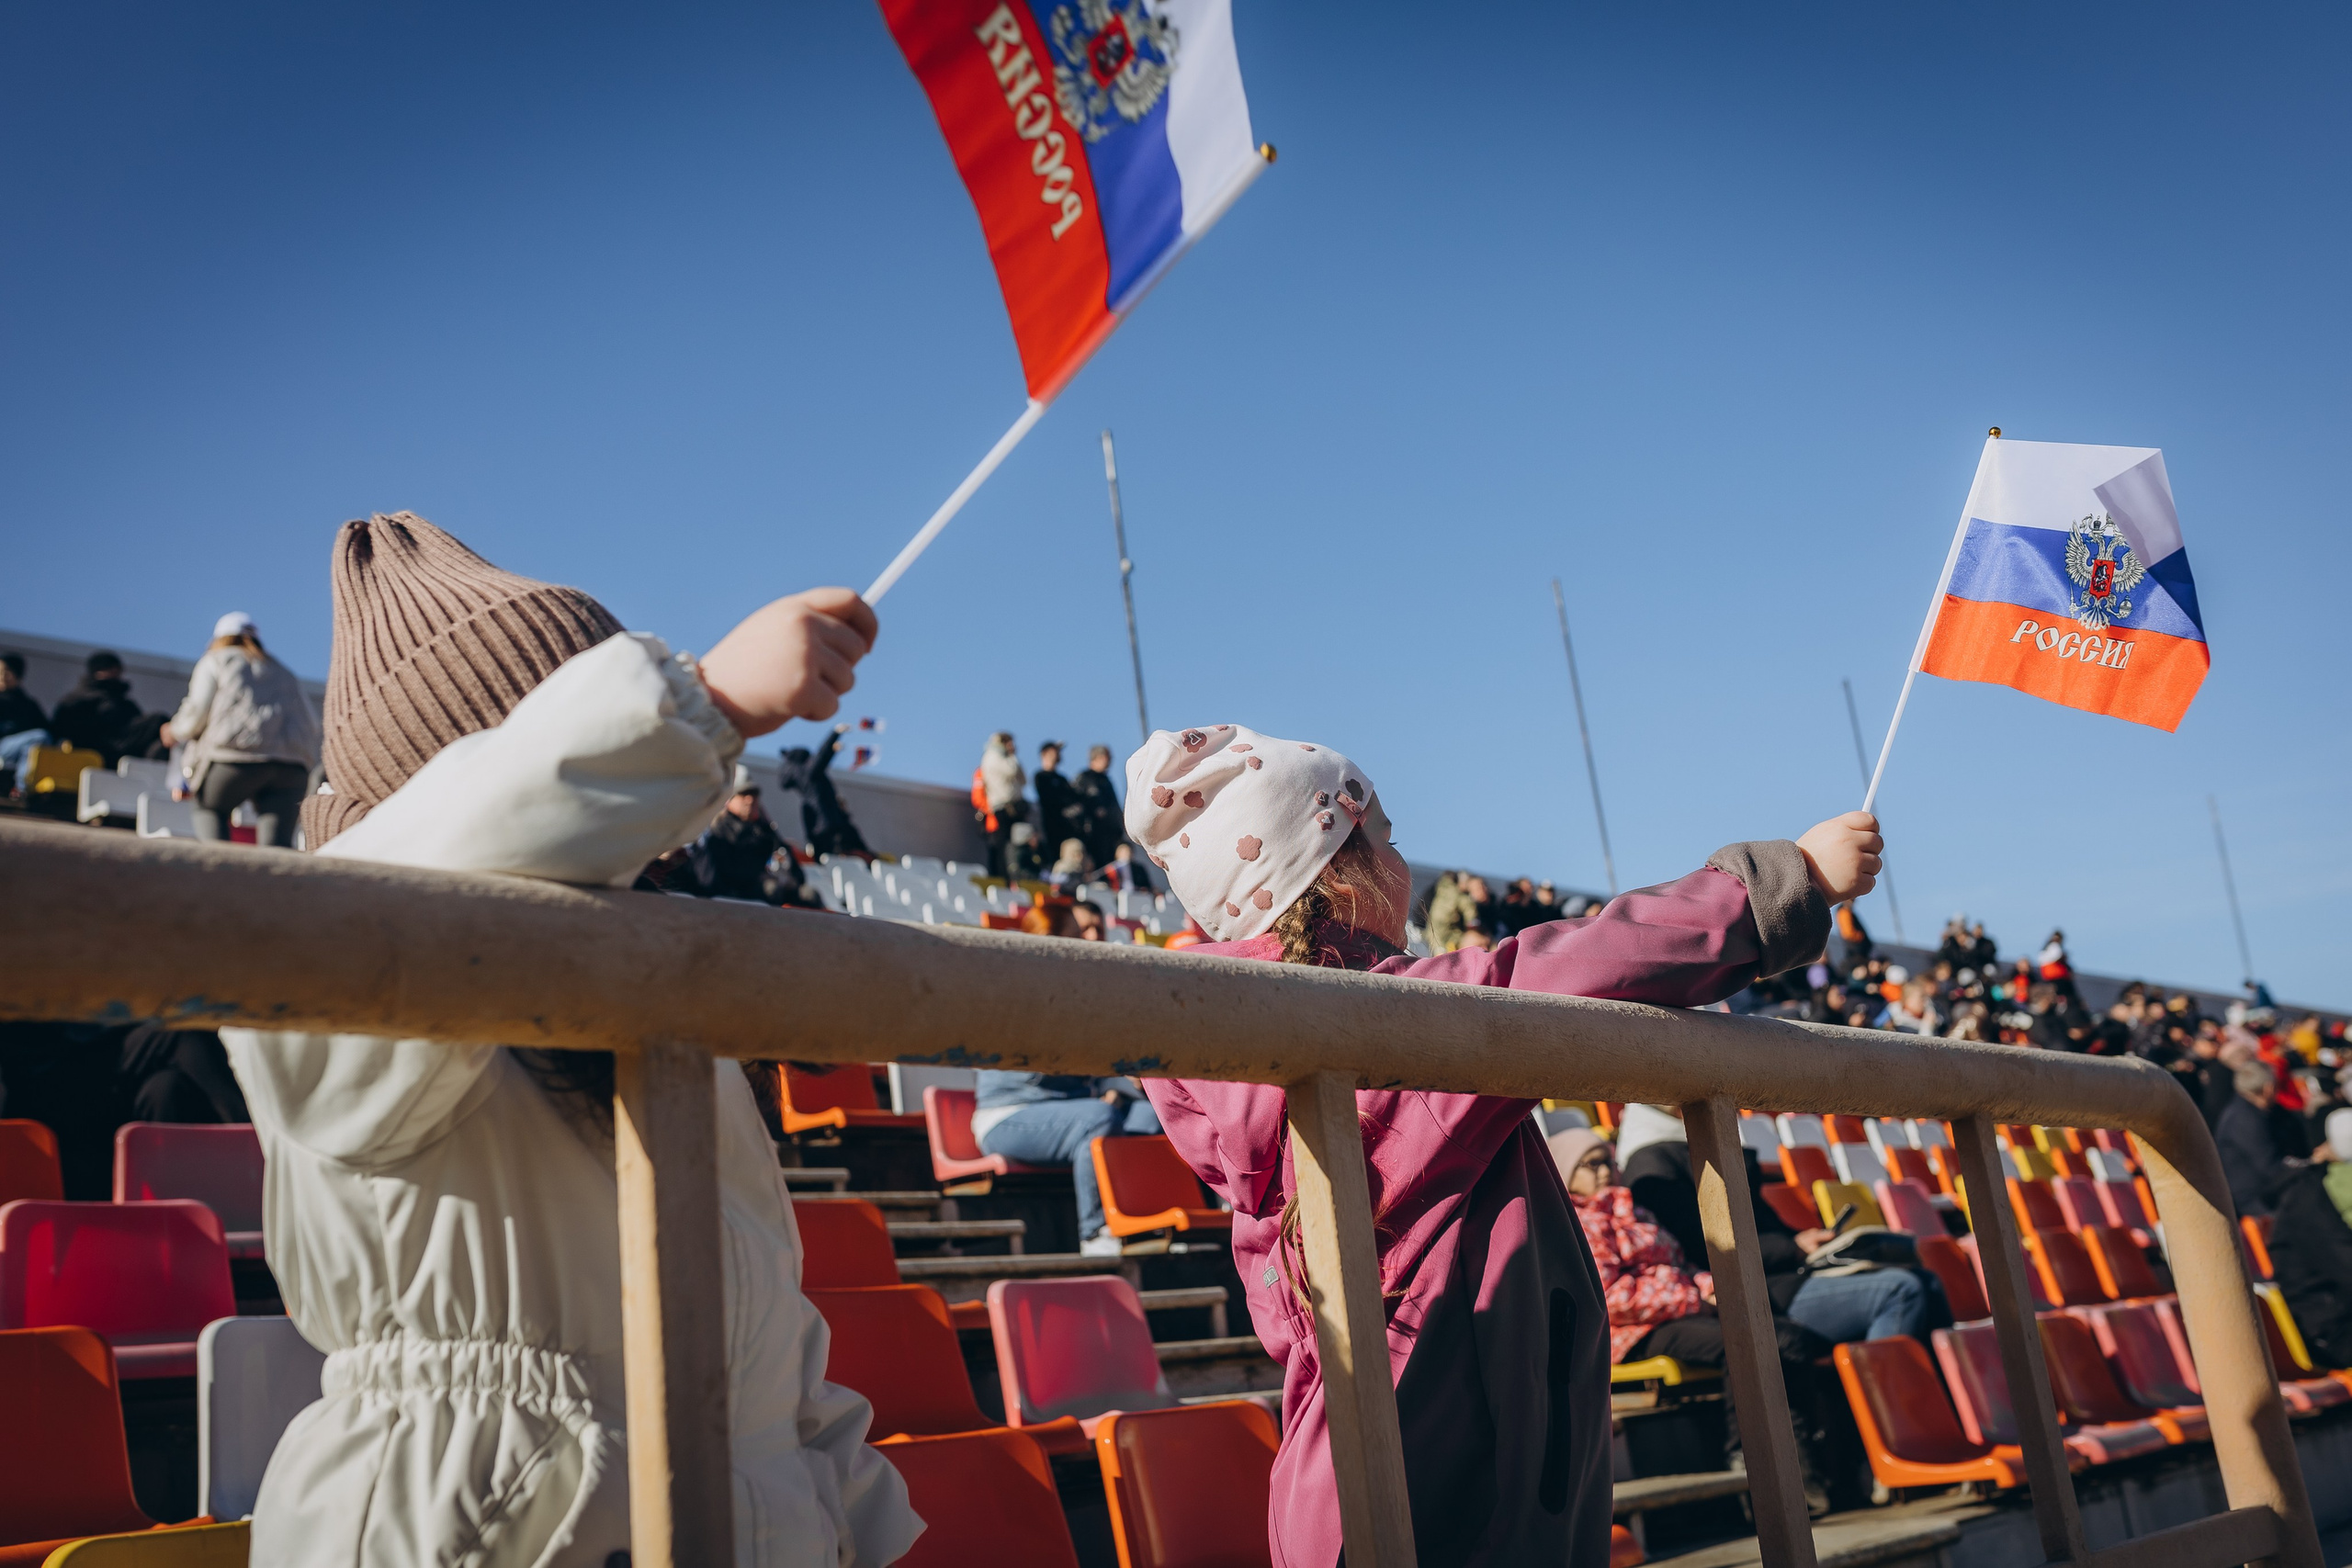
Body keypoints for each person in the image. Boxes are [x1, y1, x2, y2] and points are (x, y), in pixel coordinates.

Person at [220, 514, 918, 1568]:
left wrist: (852, 1527)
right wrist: (701, 704)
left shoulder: (669, 1011)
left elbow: (773, 1352)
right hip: (459, 1525)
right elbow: (433, 877)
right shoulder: (332, 992)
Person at [1128, 722, 1883, 1567]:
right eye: (1388, 839)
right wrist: (1790, 882)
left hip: (1363, 1496)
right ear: (1342, 871)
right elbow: (1579, 968)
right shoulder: (1389, 1036)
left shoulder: (1269, 1057)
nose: (1405, 867)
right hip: (1441, 1500)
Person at [1553, 1128, 1856, 1507]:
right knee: (1753, 1343)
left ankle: (1805, 1470)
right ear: (1566, 1172)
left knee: (1784, 1336)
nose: (1603, 1171)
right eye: (1590, 1164)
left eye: (1607, 1161)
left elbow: (1680, 1265)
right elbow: (1610, 1297)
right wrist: (1693, 1296)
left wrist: (1712, 1285)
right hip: (1631, 1333)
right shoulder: (1576, 1223)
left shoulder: (1636, 1212)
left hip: (1678, 1314)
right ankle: (1751, 1463)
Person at [161, 613, 321, 846]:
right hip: (292, 767)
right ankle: (277, 880)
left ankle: (220, 872)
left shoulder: (216, 660)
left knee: (208, 809)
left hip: (233, 759)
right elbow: (313, 723)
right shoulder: (284, 671)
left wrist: (173, 731)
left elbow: (195, 713)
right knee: (277, 846)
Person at [970, 1071, 1162, 1256]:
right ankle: (1095, 1235)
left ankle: (1151, 1226)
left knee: (1150, 1117)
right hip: (1009, 1114)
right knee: (1097, 1118)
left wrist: (1114, 1087)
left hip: (1081, 1107)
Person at [692, 764, 816, 907]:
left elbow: (795, 871)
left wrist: (787, 873)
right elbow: (724, 873)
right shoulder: (720, 829)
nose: (750, 800)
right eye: (743, 795)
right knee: (772, 889)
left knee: (809, 894)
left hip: (775, 888)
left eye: (754, 795)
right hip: (739, 894)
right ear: (729, 801)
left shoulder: (766, 830)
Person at [776, 723, 871, 859]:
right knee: (839, 859)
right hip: (828, 826)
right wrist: (835, 734)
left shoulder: (803, 778)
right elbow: (821, 758)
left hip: (820, 828)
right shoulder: (808, 773)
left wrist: (832, 750)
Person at [48, 649, 145, 763]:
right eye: (112, 669)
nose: (118, 675)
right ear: (99, 671)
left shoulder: (125, 703)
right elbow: (60, 732)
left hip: (127, 754)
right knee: (157, 721)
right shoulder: (76, 701)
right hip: (95, 754)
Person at [1071, 744, 1131, 874]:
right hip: (1093, 835)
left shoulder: (1107, 781)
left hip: (1111, 835)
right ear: (1098, 757)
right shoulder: (1084, 778)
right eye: (1107, 757)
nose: (1110, 760)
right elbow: (1077, 805)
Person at [974, 731, 1025, 876]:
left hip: (1015, 808)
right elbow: (1011, 770)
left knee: (1015, 847)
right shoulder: (993, 757)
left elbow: (1022, 779)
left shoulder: (1007, 759)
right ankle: (1000, 878)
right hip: (999, 810)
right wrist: (1012, 756)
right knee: (1000, 848)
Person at [0, 650, 51, 789]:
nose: (3, 676)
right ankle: (22, 787)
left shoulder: (28, 703)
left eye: (7, 671)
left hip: (21, 750)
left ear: (18, 674)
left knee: (37, 742)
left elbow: (47, 729)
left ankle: (22, 789)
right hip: (2, 746)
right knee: (38, 737)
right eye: (0, 672)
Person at [1034, 740, 1080, 854]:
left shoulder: (1062, 779)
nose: (1058, 754)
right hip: (1051, 826)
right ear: (1044, 754)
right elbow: (1047, 799)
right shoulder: (1040, 777)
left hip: (1069, 827)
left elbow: (1074, 798)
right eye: (1054, 751)